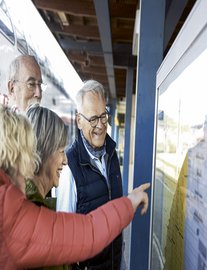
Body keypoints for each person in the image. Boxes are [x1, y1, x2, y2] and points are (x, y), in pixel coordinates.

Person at [0, 102, 150, 270]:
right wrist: (129, 203)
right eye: (27, 153)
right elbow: (88, 233)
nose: (29, 161)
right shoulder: (3, 207)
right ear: (14, 155)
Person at [56, 80, 124, 269]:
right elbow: (63, 236)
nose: (100, 125)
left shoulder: (111, 154)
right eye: (93, 119)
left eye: (103, 116)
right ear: (79, 120)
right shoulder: (69, 167)